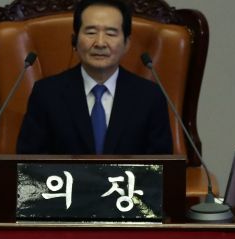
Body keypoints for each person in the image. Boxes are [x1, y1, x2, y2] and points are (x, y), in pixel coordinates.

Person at [15, 0, 173, 156]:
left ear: (127, 44)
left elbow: (161, 169)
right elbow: (29, 166)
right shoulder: (46, 94)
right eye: (90, 32)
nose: (100, 43)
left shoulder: (150, 97)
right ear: (74, 40)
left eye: (111, 33)